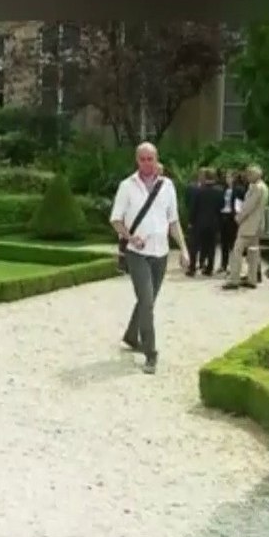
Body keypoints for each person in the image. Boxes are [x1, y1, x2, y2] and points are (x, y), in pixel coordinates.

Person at [109, 142, 190, 374]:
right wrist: (130, 237)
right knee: (146, 301)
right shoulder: (127, 186)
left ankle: (130, 335)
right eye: (142, 159)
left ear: (156, 159)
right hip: (137, 254)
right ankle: (150, 352)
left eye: (150, 159)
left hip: (161, 253)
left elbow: (173, 221)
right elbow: (115, 219)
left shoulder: (168, 186)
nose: (147, 163)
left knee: (148, 301)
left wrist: (183, 249)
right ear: (137, 160)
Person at [222, 164, 268, 289]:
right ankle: (252, 279)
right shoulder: (264, 187)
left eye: (249, 174)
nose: (247, 177)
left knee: (237, 250)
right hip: (257, 224)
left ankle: (234, 279)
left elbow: (248, 206)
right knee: (253, 252)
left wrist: (239, 217)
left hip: (249, 224)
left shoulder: (256, 188)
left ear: (255, 175)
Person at [187, 167, 225, 276]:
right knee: (211, 246)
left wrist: (191, 221)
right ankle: (209, 268)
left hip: (199, 222)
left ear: (204, 177)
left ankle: (192, 268)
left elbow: (194, 208)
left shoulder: (198, 191)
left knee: (195, 245)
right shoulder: (219, 191)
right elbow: (222, 206)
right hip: (213, 222)